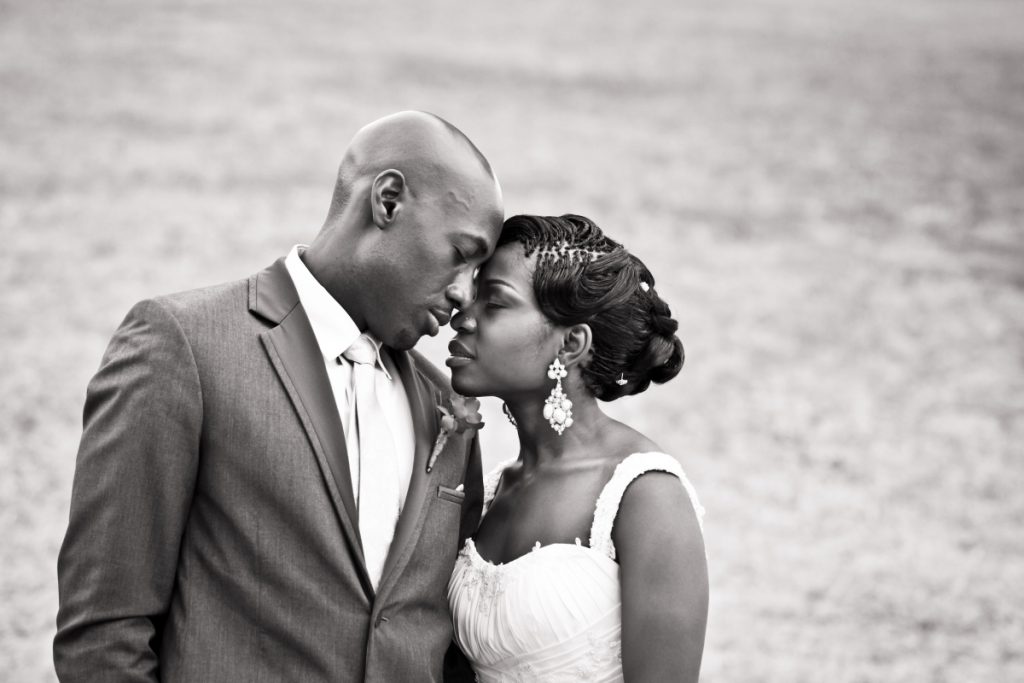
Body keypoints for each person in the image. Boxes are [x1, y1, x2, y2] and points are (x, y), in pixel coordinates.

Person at [55, 111, 503, 681]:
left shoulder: (445, 404)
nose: (465, 295)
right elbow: (104, 632)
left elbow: (443, 638)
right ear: (388, 201)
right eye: (461, 254)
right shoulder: (185, 346)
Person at [446, 214, 708, 681]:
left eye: (495, 302)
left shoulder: (644, 495)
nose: (461, 317)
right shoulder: (490, 489)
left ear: (570, 343)